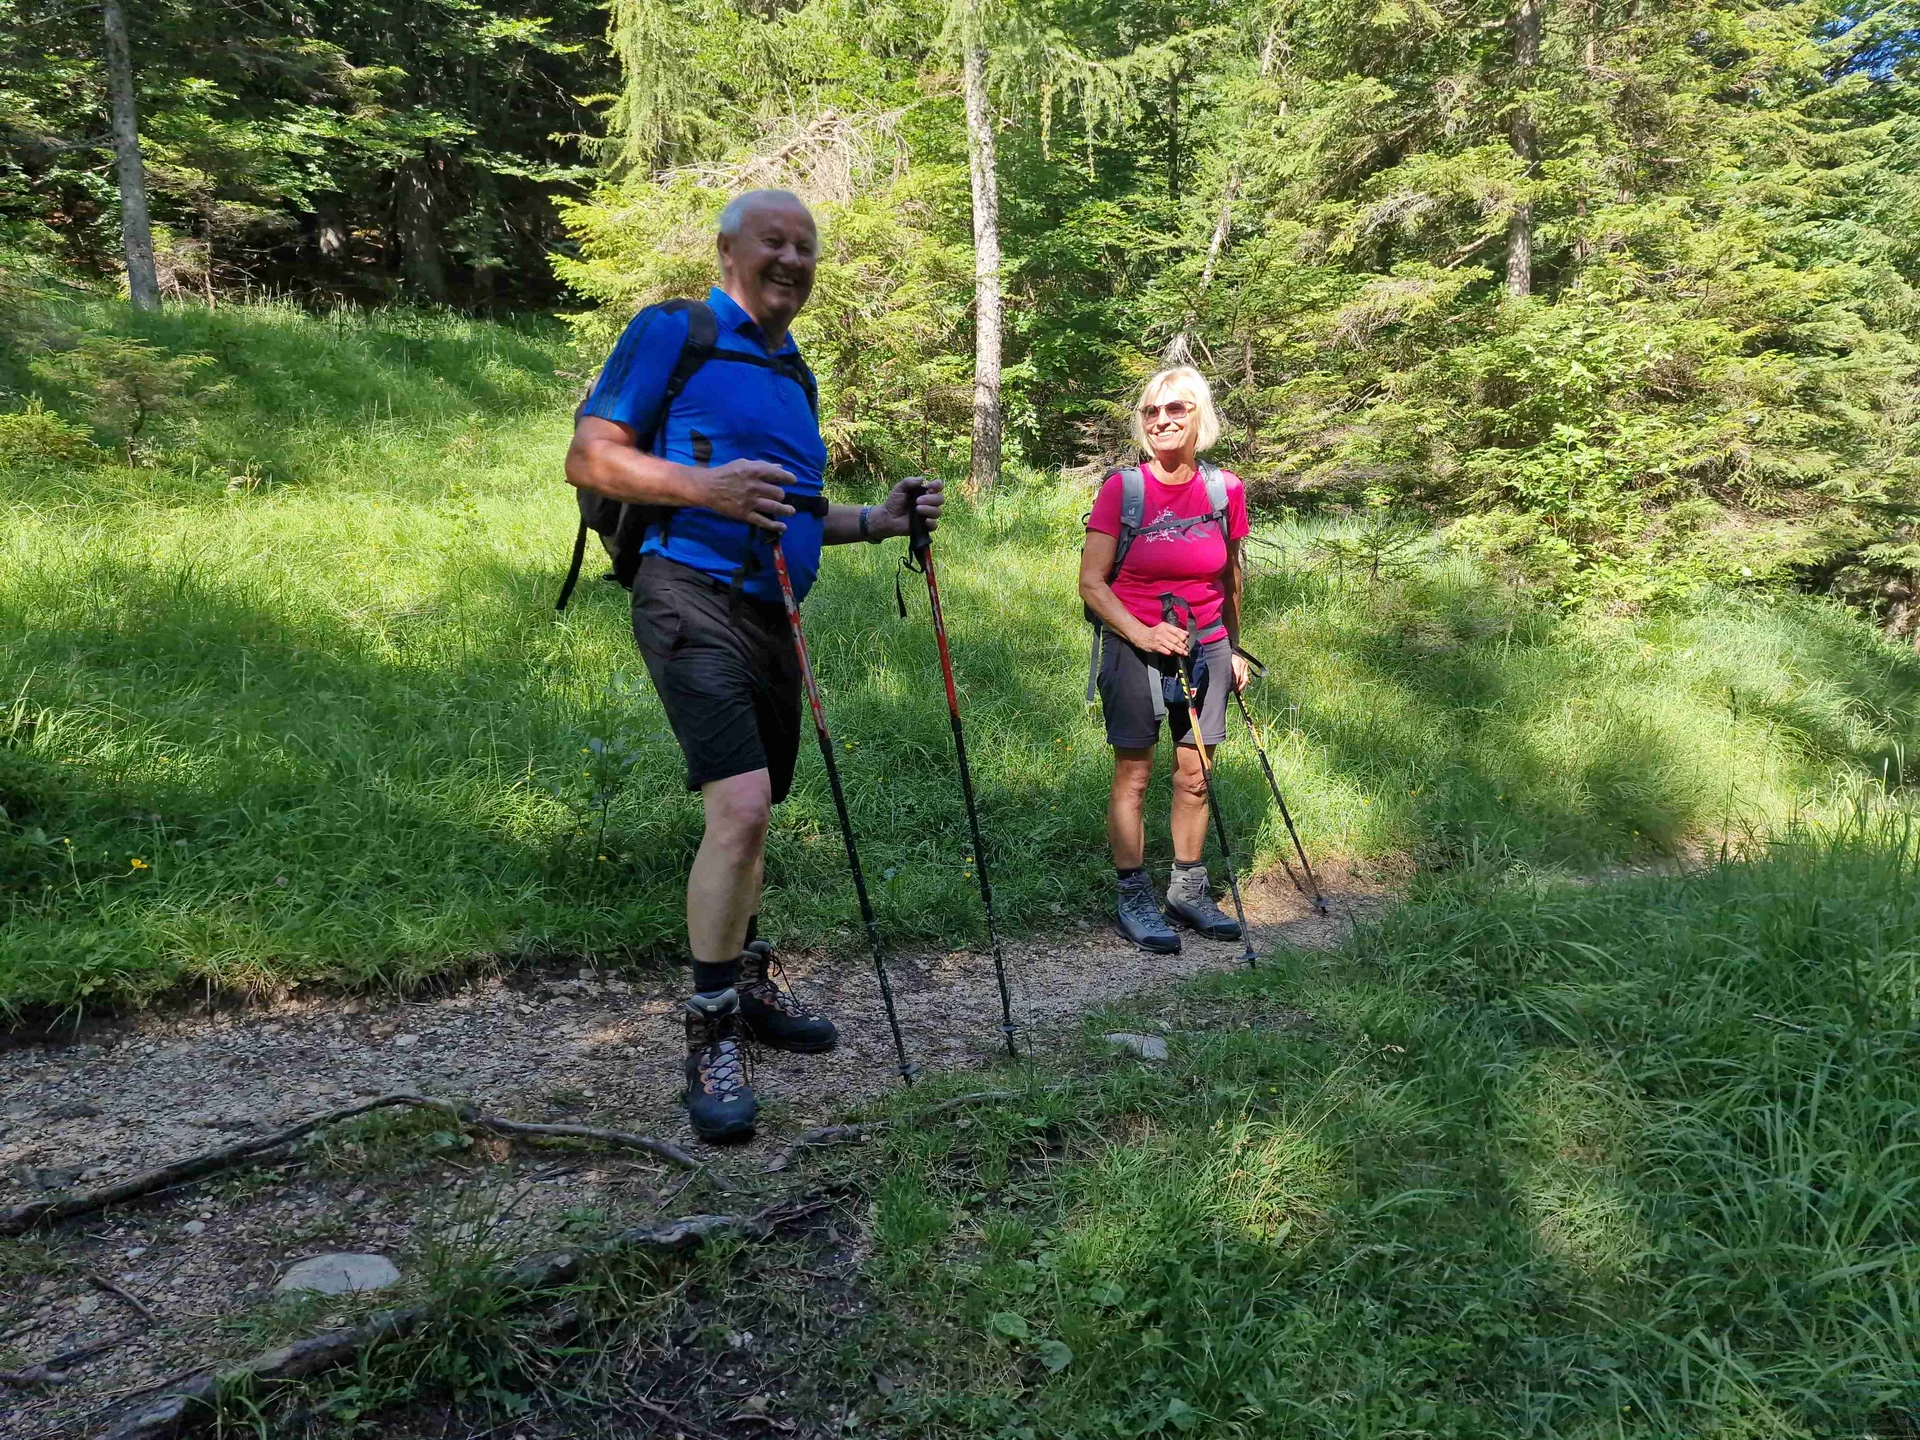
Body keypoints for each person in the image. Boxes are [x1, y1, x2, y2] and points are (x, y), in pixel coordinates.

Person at [564, 189, 942, 1144]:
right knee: (737, 809)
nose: (792, 259)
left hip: (776, 612)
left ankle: (745, 977)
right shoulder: (673, 331)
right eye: (774, 241)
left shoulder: (793, 374)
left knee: (757, 809)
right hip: (685, 593)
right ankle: (710, 1030)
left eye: (807, 248)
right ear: (729, 248)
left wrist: (880, 521)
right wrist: (703, 486)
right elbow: (589, 457)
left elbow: (797, 512)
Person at [1077, 366, 1252, 954]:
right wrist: (1144, 634)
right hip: (1133, 647)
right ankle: (1133, 894)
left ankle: (1187, 888)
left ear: (1199, 415)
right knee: (1134, 773)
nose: (1162, 421)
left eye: (1175, 409)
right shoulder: (1123, 490)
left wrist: (1234, 646)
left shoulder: (1224, 489)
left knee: (1196, 773)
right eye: (1152, 412)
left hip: (1206, 646)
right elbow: (1092, 584)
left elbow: (1229, 575)